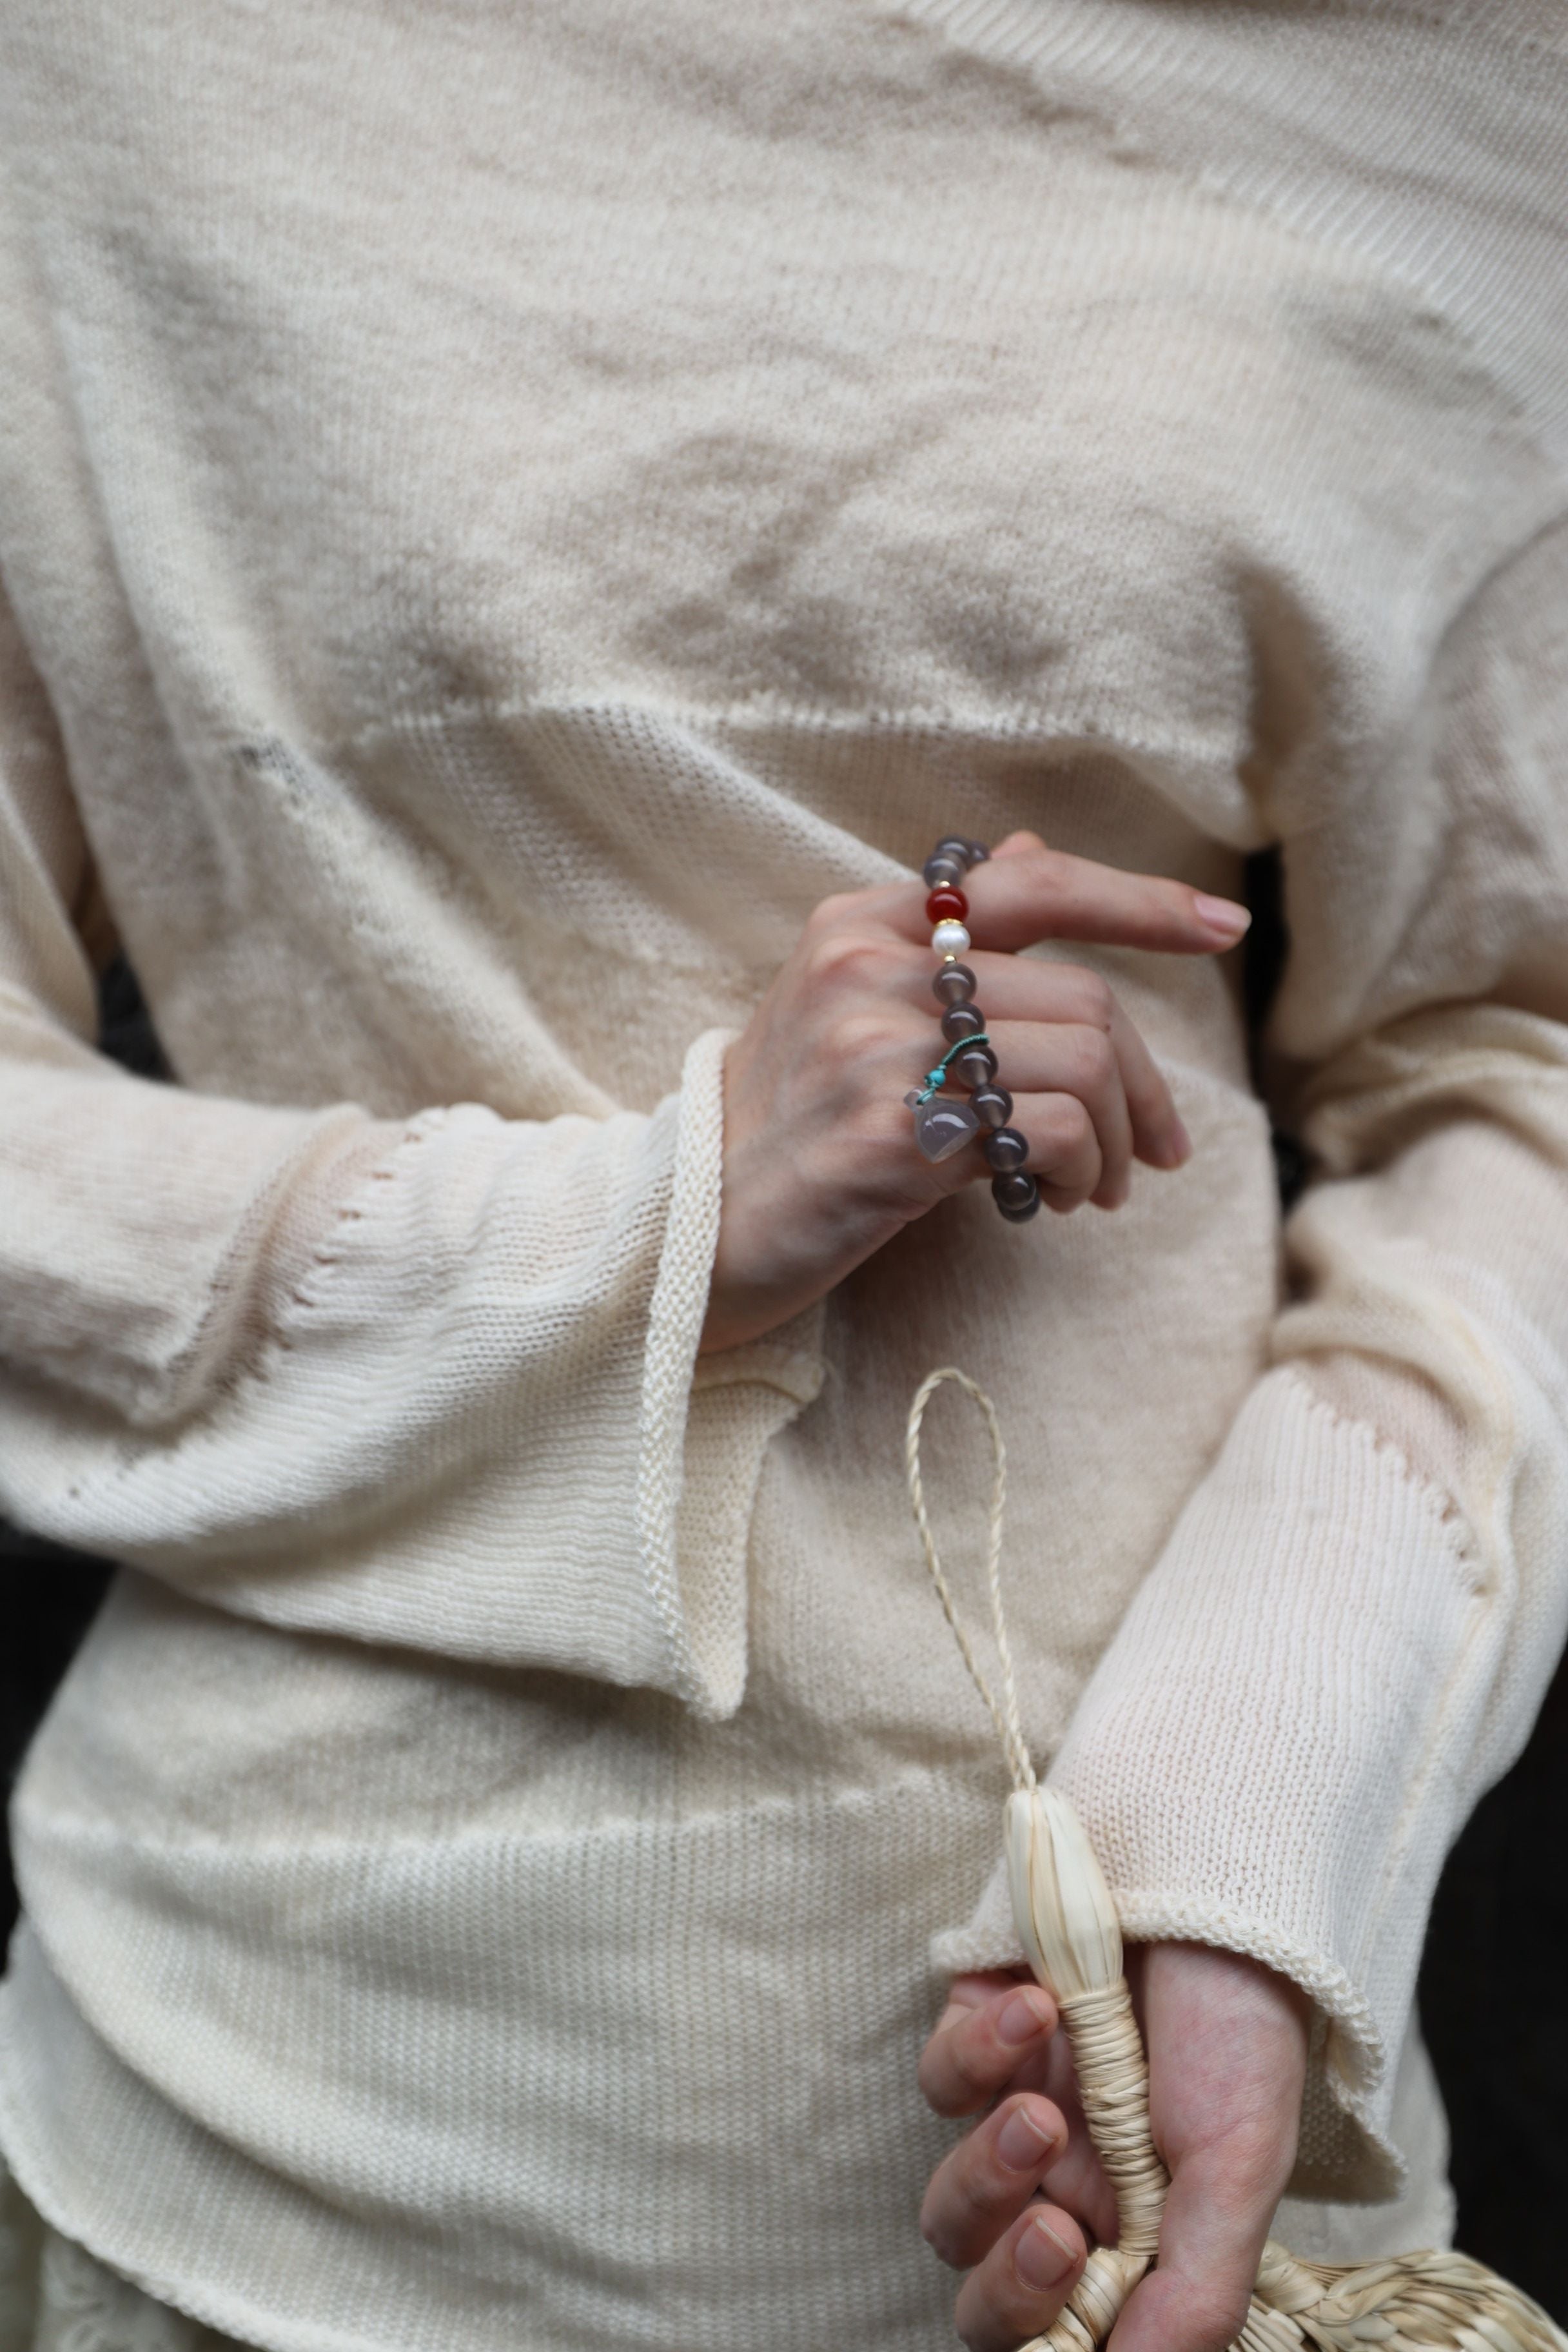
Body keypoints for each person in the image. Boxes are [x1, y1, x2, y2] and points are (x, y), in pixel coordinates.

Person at [1, 4, 1567, 2350]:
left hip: (1192, 2141)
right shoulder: (101, 76)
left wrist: (1256, 1810)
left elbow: (1515, 1048)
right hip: (276, 2129)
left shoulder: (1466, 77)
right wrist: (630, 1241)